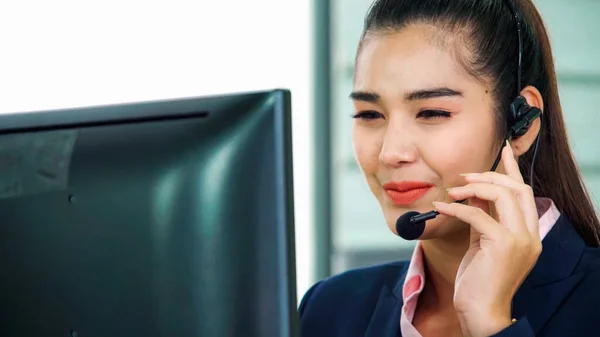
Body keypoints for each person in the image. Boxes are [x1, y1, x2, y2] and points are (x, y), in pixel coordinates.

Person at [298, 0, 600, 336]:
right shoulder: (328, 309)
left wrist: (490, 323)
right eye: (369, 114)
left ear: (521, 123)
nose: (391, 152)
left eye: (432, 113)